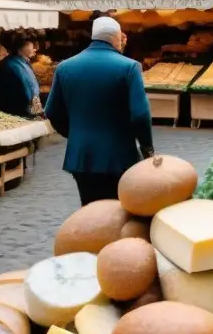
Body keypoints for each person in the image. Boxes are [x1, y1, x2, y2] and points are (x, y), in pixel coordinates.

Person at [45, 17, 154, 206]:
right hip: (120, 155)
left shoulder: (64, 67)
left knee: (89, 210)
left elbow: (52, 112)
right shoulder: (129, 67)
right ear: (116, 38)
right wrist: (147, 148)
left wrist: (75, 134)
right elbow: (140, 114)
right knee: (118, 212)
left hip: (81, 154)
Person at [0, 35, 41, 118]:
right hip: (10, 110)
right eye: (31, 45)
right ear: (22, 48)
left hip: (19, 108)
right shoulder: (12, 64)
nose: (34, 49)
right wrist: (34, 109)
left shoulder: (22, 61)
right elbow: (25, 89)